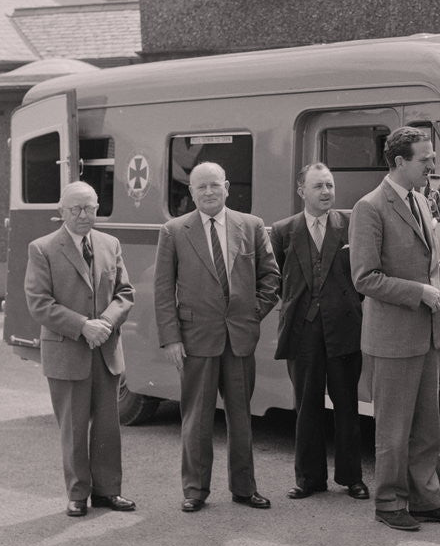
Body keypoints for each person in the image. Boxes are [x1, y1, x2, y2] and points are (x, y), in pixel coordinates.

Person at [349, 126, 440, 531]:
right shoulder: (370, 207)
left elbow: (430, 268)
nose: (433, 164)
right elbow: (364, 277)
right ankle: (390, 503)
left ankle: (426, 500)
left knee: (427, 427)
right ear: (399, 162)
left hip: (426, 333)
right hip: (392, 338)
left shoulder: (420, 200)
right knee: (393, 432)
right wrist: (420, 293)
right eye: (425, 159)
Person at [154, 161, 280, 513]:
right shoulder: (174, 231)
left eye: (214, 185)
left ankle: (244, 488)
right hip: (195, 339)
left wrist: (252, 314)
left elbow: (271, 278)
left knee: (241, 417)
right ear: (191, 192)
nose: (208, 192)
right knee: (196, 417)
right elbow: (164, 291)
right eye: (200, 187)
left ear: (226, 187)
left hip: (239, 337)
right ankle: (195, 490)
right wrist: (171, 339)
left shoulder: (251, 226)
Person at [24, 181, 135, 517]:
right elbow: (39, 304)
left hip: (105, 349)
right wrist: (82, 326)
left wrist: (105, 322)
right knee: (73, 428)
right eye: (76, 209)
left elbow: (125, 293)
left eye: (90, 207)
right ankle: (77, 494)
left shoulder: (109, 243)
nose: (84, 215)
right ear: (61, 212)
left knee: (107, 426)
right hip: (67, 351)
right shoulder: (42, 249)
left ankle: (108, 492)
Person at [271, 163, 368, 501]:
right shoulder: (283, 231)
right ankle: (309, 479)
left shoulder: (351, 224)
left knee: (347, 405)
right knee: (307, 406)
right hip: (303, 331)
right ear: (302, 192)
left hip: (344, 328)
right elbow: (275, 281)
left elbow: (366, 271)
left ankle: (351, 477)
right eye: (318, 186)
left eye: (329, 185)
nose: (326, 192)